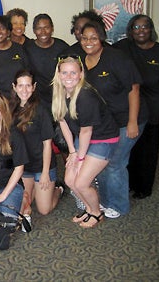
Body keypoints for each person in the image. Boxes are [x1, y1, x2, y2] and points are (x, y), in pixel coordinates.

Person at [80, 21, 147, 218]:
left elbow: (134, 88)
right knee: (102, 162)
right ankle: (105, 202)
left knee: (115, 162)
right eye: (85, 38)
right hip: (104, 124)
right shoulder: (82, 61)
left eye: (93, 38)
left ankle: (118, 205)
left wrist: (132, 121)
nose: (89, 42)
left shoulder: (116, 58)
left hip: (127, 120)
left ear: (102, 38)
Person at [113, 15, 159, 199]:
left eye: (145, 26)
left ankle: (144, 188)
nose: (141, 30)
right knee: (128, 151)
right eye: (136, 27)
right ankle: (129, 184)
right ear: (130, 30)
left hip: (153, 111)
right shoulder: (123, 47)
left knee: (147, 152)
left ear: (151, 29)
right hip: (128, 112)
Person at [52, 56, 120, 228]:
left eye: (73, 72)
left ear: (81, 74)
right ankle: (89, 208)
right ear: (58, 75)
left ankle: (97, 213)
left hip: (103, 139)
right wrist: (72, 152)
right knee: (69, 180)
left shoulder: (85, 96)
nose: (69, 76)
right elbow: (63, 124)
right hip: (83, 138)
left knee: (81, 182)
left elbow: (86, 130)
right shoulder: (60, 94)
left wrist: (80, 160)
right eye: (65, 72)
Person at [10, 69, 62, 216]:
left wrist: (45, 173)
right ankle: (35, 188)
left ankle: (58, 189)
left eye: (28, 86)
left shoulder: (41, 110)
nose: (24, 90)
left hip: (41, 165)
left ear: (34, 87)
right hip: (24, 167)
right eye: (20, 86)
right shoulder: (10, 109)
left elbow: (47, 145)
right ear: (14, 87)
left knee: (44, 210)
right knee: (25, 204)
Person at [26, 13, 69, 110]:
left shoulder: (62, 47)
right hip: (37, 99)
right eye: (39, 28)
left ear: (52, 29)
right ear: (34, 30)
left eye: (46, 27)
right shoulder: (28, 48)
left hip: (60, 97)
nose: (43, 32)